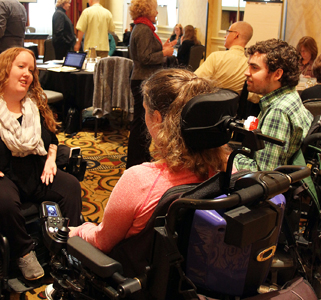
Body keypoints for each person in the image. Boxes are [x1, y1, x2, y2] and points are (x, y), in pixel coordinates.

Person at [0, 47, 82, 280]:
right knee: (3, 200)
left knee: (70, 186)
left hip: (34, 169)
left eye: (31, 70)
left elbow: (51, 139)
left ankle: (62, 247)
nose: (27, 74)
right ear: (3, 70)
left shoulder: (34, 106)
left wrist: (51, 159)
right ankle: (24, 251)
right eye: (20, 67)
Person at [69, 68, 229, 253]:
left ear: (158, 119)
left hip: (142, 273)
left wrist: (78, 230)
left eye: (145, 111)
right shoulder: (227, 167)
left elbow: (102, 242)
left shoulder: (139, 180)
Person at [234, 39, 313, 172]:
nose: (246, 73)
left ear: (277, 74)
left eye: (254, 68)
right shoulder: (290, 97)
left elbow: (264, 172)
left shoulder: (278, 111)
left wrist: (225, 159)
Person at [126, 0, 176, 169]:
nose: (156, 13)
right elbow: (145, 58)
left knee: (142, 123)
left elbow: (145, 54)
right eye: (155, 9)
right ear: (147, 10)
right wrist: (164, 53)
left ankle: (139, 158)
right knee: (141, 124)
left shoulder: (142, 28)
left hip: (142, 80)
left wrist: (163, 48)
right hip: (143, 81)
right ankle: (135, 161)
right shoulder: (143, 29)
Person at [195, 21, 253, 95]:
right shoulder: (250, 64)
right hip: (234, 106)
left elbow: (195, 82)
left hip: (208, 104)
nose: (225, 36)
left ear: (236, 35)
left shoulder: (216, 57)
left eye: (228, 32)